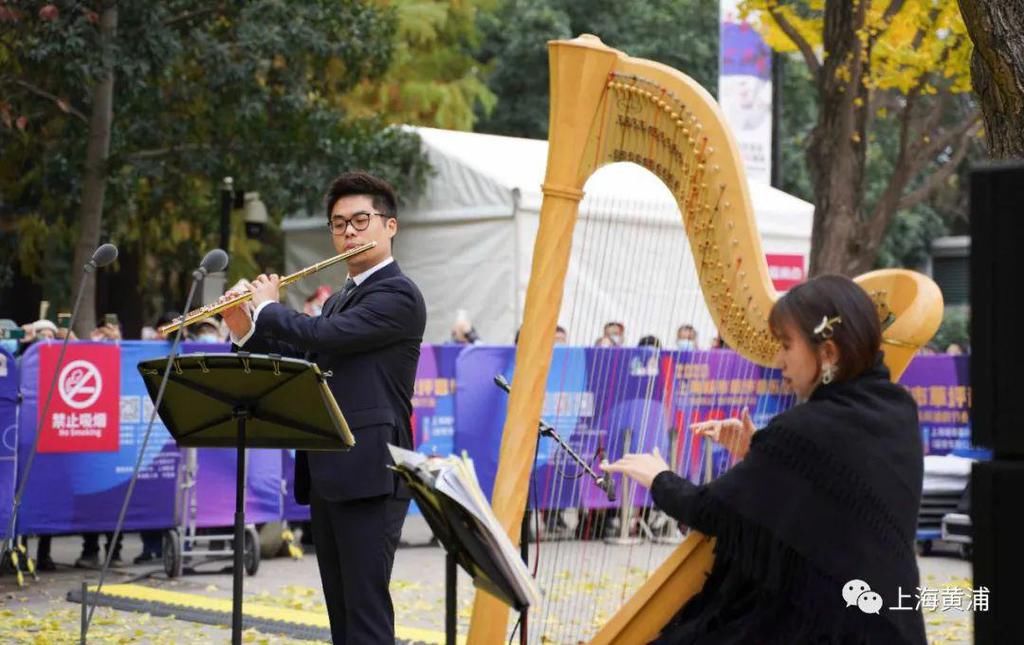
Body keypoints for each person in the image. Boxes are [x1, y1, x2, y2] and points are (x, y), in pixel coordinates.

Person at [603, 275, 927, 644]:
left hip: (831, 627)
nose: (778, 359)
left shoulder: (805, 429)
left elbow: (711, 511)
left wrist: (658, 476)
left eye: (787, 345)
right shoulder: (896, 408)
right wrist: (762, 453)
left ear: (829, 353)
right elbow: (829, 502)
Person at [220, 171, 426, 644]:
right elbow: (305, 363)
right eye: (339, 225)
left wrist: (270, 309)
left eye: (360, 221)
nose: (349, 233)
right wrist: (244, 329)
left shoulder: (398, 294)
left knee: (366, 612)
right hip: (332, 465)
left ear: (389, 226)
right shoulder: (340, 299)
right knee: (342, 612)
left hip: (373, 470)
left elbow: (323, 337)